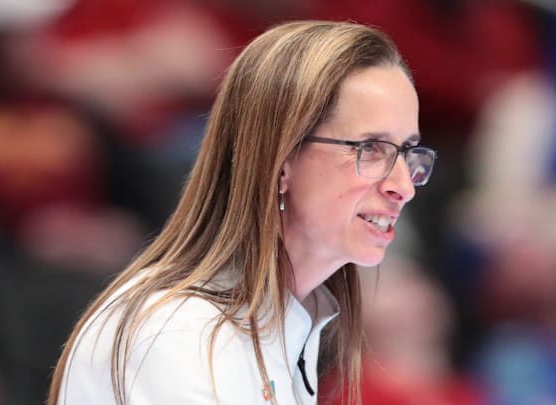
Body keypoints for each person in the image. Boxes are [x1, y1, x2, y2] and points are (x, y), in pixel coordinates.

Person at [47, 20, 436, 405]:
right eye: (371, 149)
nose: (403, 187)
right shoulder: (176, 333)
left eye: (408, 152)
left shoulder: (285, 327)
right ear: (280, 158)